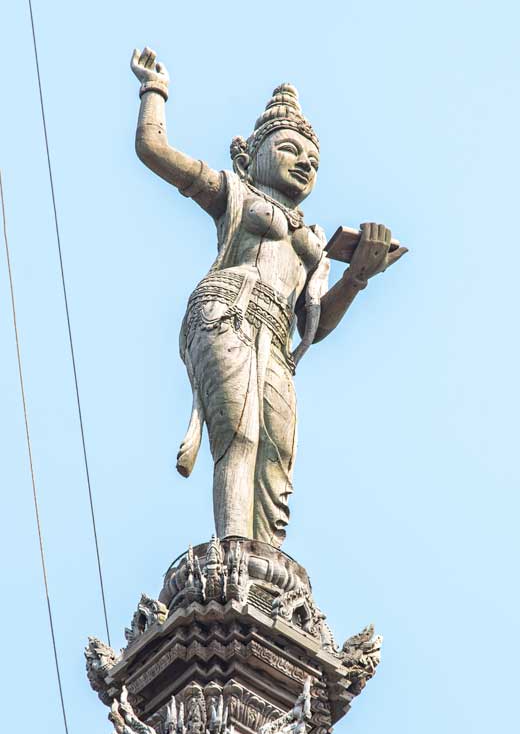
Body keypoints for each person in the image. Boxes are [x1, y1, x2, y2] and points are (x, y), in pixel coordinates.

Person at [131, 48, 407, 547]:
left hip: (278, 339)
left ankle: (263, 562)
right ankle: (235, 556)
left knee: (275, 458)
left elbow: (314, 327)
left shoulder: (314, 238)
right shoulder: (235, 193)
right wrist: (155, 90)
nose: (303, 163)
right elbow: (154, 149)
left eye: (313, 161)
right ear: (248, 156)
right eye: (288, 150)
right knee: (239, 436)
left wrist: (358, 277)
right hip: (227, 311)